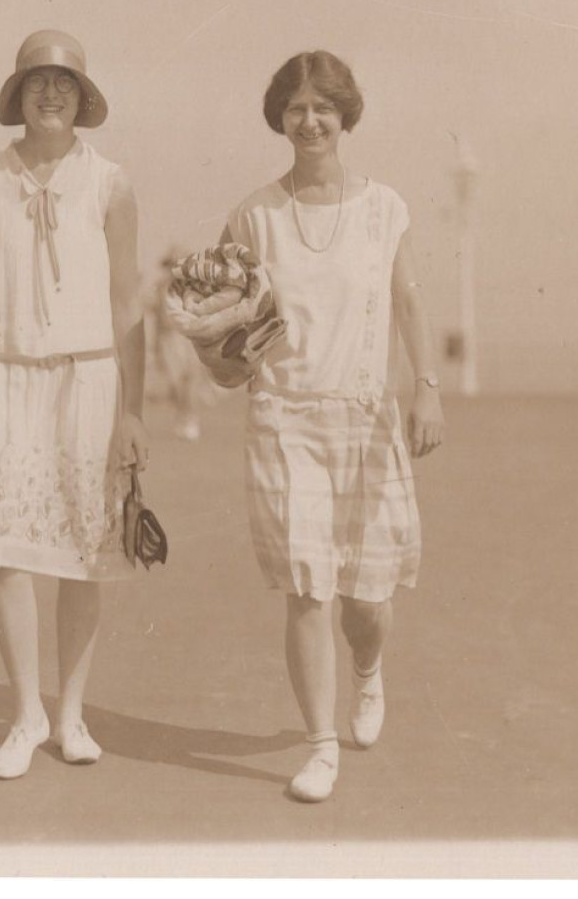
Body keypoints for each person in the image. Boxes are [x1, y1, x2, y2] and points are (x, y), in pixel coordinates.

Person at [218, 50, 445, 803]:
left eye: (322, 106)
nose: (308, 120)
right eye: (294, 108)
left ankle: (368, 672)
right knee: (307, 588)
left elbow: (408, 301)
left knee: (366, 601)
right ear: (278, 118)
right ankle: (319, 743)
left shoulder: (383, 207)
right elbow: (227, 319)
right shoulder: (253, 214)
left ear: (345, 114)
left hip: (363, 414)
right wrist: (218, 353)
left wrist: (426, 387)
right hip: (284, 417)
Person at [0, 29, 149, 779]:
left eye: (63, 82)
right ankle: (24, 713)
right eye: (35, 82)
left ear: (82, 98)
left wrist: (134, 412)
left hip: (87, 378)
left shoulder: (110, 182)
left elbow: (127, 306)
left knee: (83, 554)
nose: (49, 93)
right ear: (16, 95)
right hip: (4, 374)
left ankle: (71, 712)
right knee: (7, 550)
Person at [148, 248, 211, 441]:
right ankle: (182, 416)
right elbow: (157, 320)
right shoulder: (160, 288)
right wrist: (156, 345)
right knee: (174, 383)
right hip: (167, 339)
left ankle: (190, 419)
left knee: (188, 380)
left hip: (185, 337)